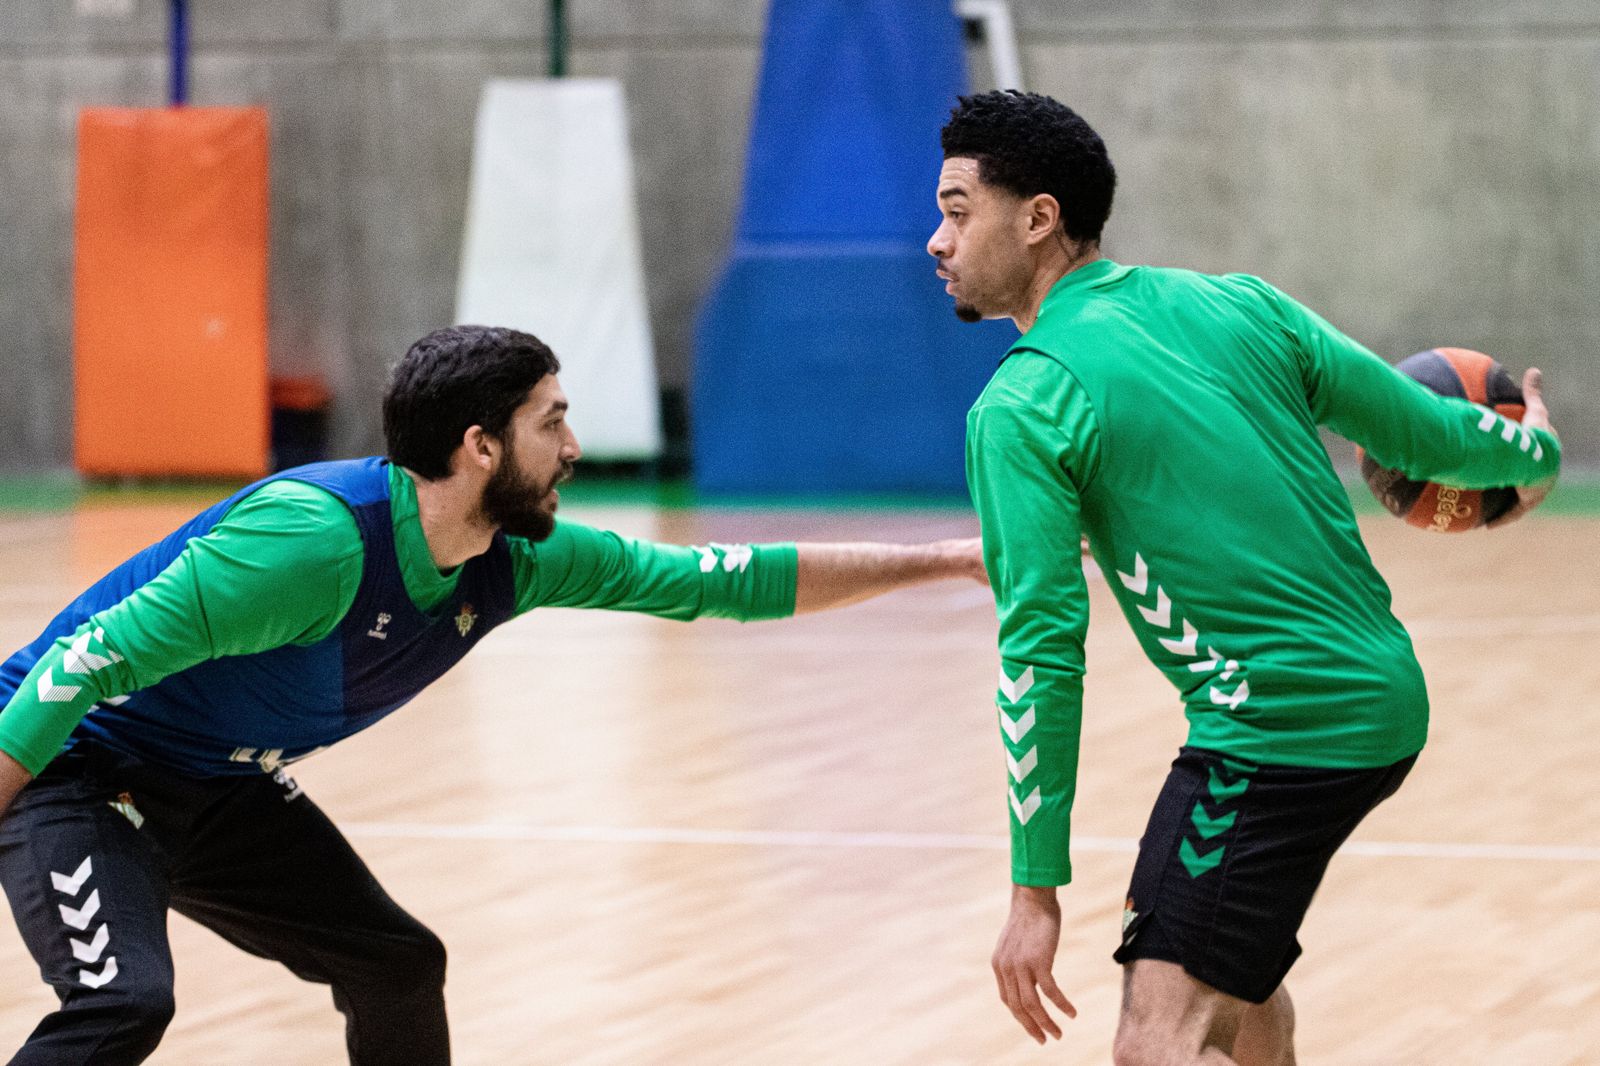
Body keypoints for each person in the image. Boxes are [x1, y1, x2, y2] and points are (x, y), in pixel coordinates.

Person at [0, 325, 986, 1066]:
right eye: (551, 421)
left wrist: (945, 560)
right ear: (480, 445)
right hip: (75, 760)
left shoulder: (512, 560)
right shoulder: (312, 543)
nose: (573, 446)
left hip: (211, 780)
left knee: (394, 962)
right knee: (125, 1000)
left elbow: (719, 580)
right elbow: (79, 667)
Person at [927, 90, 1560, 1065]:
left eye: (957, 209)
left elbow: (1040, 651)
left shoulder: (1021, 403)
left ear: (1038, 218)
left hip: (1277, 732)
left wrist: (1032, 890)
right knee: (1238, 978)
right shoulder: (1240, 303)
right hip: (1381, 702)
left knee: (1152, 1036)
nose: (937, 240)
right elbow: (1430, 434)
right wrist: (1534, 451)